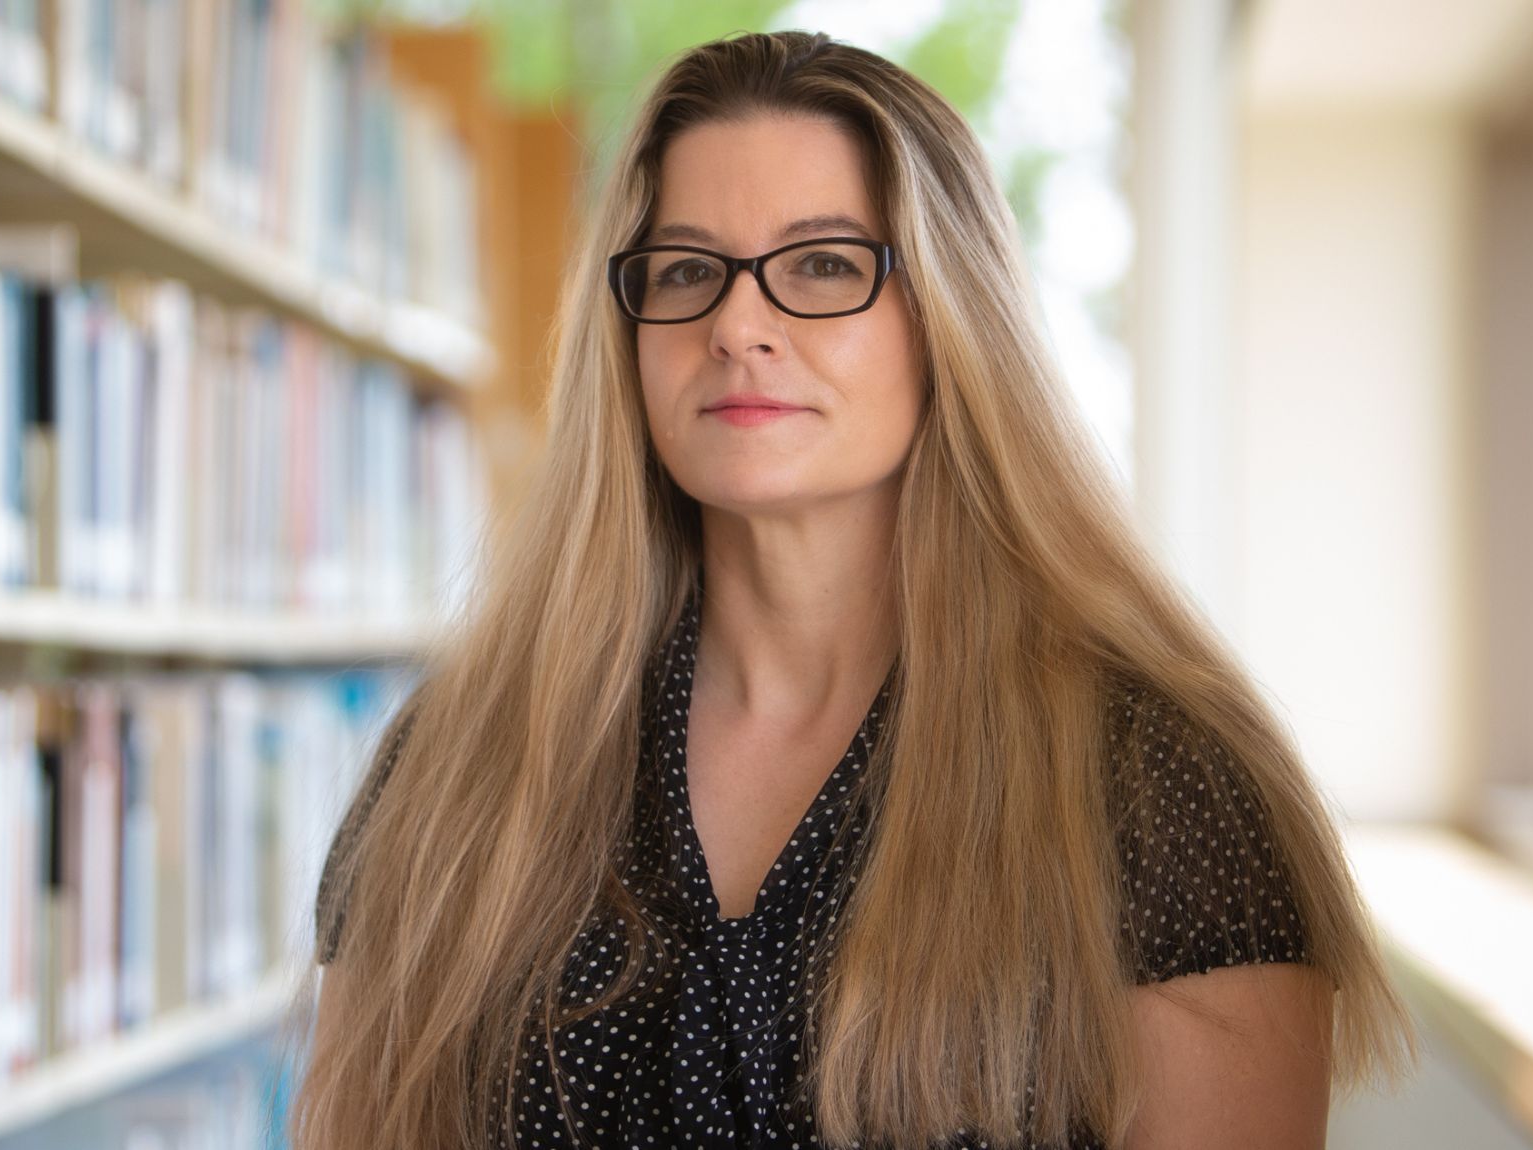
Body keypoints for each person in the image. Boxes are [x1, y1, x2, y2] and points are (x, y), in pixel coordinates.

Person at [290, 29, 1409, 1150]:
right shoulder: (461, 764)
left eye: (822, 263)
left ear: (949, 317)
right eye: (685, 270)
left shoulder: (1152, 781)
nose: (736, 328)